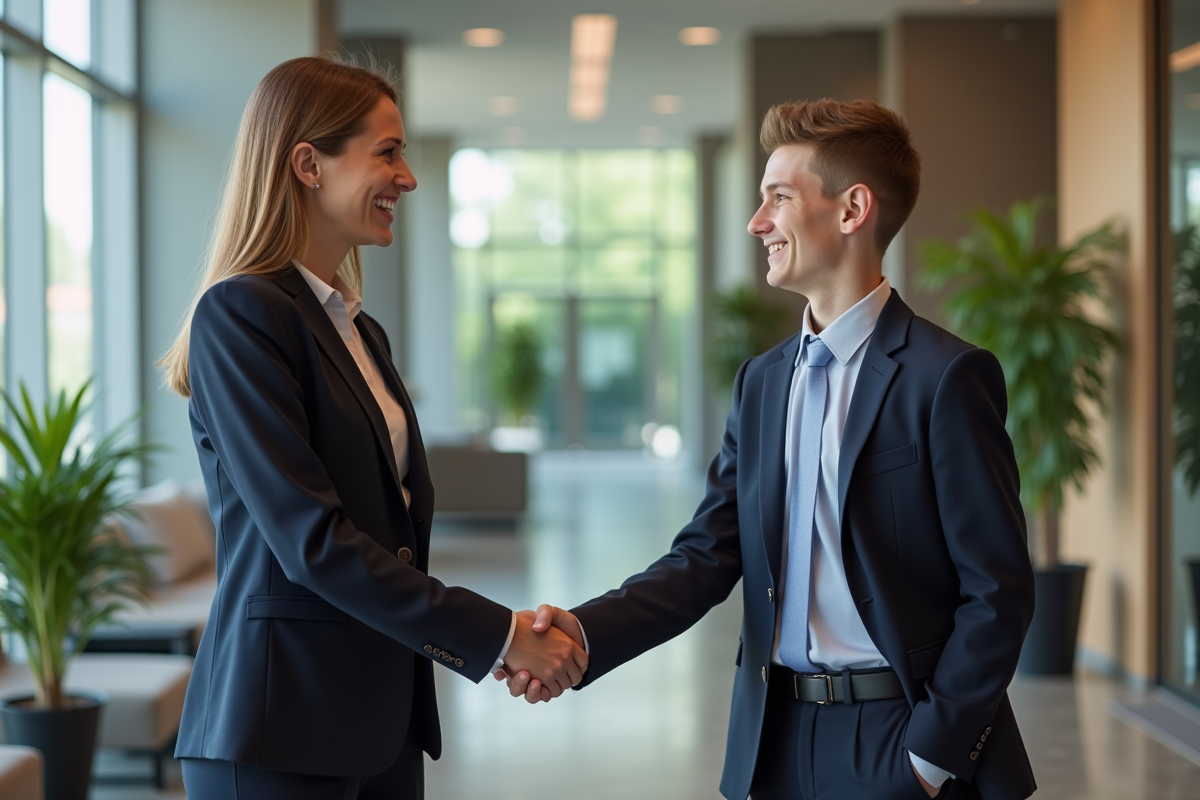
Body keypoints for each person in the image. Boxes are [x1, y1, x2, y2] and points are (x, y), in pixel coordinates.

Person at [503, 99, 1037, 800]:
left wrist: (927, 762)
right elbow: (704, 557)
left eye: (777, 199)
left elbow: (998, 591)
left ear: (851, 211)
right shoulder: (761, 382)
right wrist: (579, 631)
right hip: (773, 742)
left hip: (899, 738)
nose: (758, 223)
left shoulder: (945, 378)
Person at [160, 57, 587, 800]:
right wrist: (500, 636)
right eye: (386, 152)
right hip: (278, 728)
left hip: (379, 721)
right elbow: (312, 541)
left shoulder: (362, 332)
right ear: (308, 164)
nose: (408, 177)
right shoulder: (240, 315)